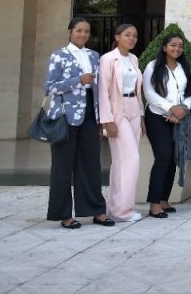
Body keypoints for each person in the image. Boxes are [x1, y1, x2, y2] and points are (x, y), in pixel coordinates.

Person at [44, 17, 113, 229]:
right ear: (70, 32)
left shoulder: (94, 56)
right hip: (66, 117)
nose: (83, 34)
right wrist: (78, 81)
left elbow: (99, 88)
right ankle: (64, 215)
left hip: (90, 117)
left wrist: (101, 119)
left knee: (91, 165)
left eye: (86, 31)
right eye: (79, 30)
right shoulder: (59, 55)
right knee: (63, 167)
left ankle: (96, 211)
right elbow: (50, 87)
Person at [142, 33, 191, 218]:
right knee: (163, 156)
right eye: (173, 45)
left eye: (180, 46)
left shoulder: (184, 67)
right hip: (157, 116)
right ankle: (154, 203)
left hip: (179, 117)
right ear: (164, 47)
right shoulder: (153, 66)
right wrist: (171, 108)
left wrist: (183, 109)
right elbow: (149, 93)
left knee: (173, 158)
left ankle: (164, 199)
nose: (177, 49)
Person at [98, 23, 143, 222]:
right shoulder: (108, 59)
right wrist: (107, 120)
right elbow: (103, 91)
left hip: (134, 108)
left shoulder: (133, 59)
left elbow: (137, 89)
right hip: (117, 110)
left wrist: (141, 114)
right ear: (117, 37)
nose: (132, 38)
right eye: (127, 35)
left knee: (124, 161)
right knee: (129, 159)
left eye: (135, 35)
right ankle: (121, 211)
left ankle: (119, 207)